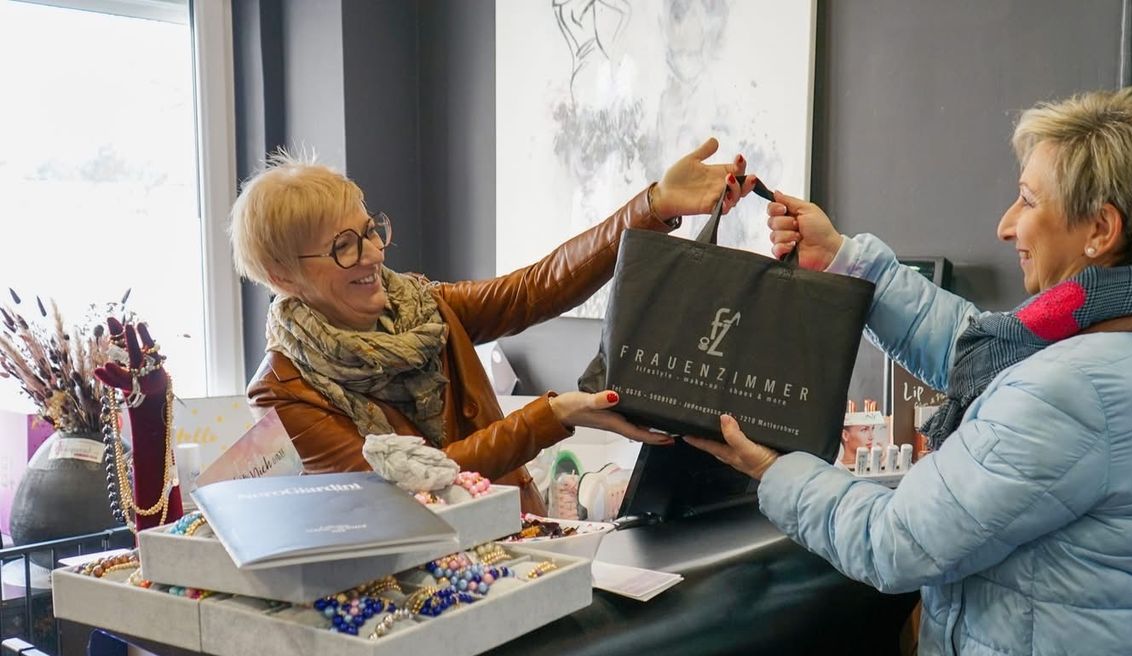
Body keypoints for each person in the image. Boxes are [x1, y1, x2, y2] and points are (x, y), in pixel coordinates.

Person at [686, 86, 1132, 656]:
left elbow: (896, 541)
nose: (1007, 224)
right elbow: (984, 348)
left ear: (1101, 230)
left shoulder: (1073, 388)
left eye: (1028, 200)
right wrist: (847, 260)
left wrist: (776, 471)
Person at [230, 138, 755, 514]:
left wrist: (653, 205)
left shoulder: (421, 307)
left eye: (369, 232)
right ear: (284, 275)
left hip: (516, 542)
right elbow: (408, 484)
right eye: (343, 246)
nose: (371, 255)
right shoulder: (285, 393)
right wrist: (550, 417)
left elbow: (534, 288)